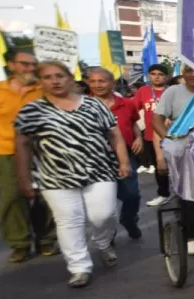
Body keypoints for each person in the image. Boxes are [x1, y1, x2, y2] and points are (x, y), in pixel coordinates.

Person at [14, 60, 131, 287]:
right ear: (40, 82)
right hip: (55, 176)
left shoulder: (94, 105)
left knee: (104, 214)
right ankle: (79, 267)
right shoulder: (32, 110)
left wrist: (123, 161)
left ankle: (103, 242)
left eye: (59, 75)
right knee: (69, 220)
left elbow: (114, 134)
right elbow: (22, 145)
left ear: (70, 78)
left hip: (99, 170)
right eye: (47, 77)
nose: (55, 81)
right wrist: (24, 178)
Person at [0, 48, 56, 262]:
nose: (31, 68)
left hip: (44, 150)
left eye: (33, 64)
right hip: (5, 151)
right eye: (25, 64)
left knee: (46, 195)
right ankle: (19, 243)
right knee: (12, 198)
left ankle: (47, 238)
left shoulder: (43, 90)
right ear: (11, 65)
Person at [154, 65, 194, 254]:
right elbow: (156, 121)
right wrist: (169, 142)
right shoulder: (173, 92)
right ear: (183, 73)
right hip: (182, 151)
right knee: (188, 195)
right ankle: (191, 236)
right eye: (189, 70)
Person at [86, 67, 143, 240]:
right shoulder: (83, 106)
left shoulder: (126, 103)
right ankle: (107, 235)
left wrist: (138, 138)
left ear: (112, 83)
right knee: (104, 201)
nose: (97, 85)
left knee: (131, 195)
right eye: (93, 81)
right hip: (97, 159)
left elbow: (133, 123)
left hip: (125, 154)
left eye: (102, 81)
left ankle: (128, 218)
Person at [134, 63, 172, 204]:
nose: (157, 77)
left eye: (161, 74)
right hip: (151, 136)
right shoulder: (143, 91)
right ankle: (163, 194)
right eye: (153, 74)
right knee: (159, 167)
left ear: (167, 77)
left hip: (173, 135)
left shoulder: (172, 90)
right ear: (149, 75)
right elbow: (133, 110)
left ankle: (181, 194)